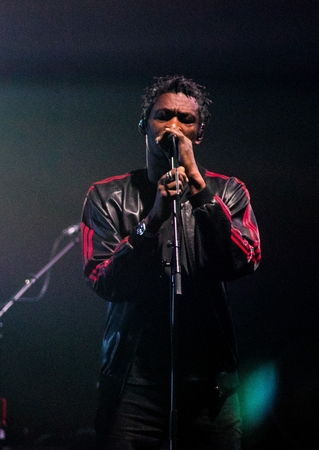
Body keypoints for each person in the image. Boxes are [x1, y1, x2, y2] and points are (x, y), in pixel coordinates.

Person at [80, 76, 261, 450]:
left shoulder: (229, 191)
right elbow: (103, 280)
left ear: (199, 133)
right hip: (134, 385)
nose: (174, 127)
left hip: (208, 383)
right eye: (163, 116)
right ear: (144, 125)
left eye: (186, 119)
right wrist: (152, 221)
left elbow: (243, 260)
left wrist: (200, 190)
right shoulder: (107, 196)